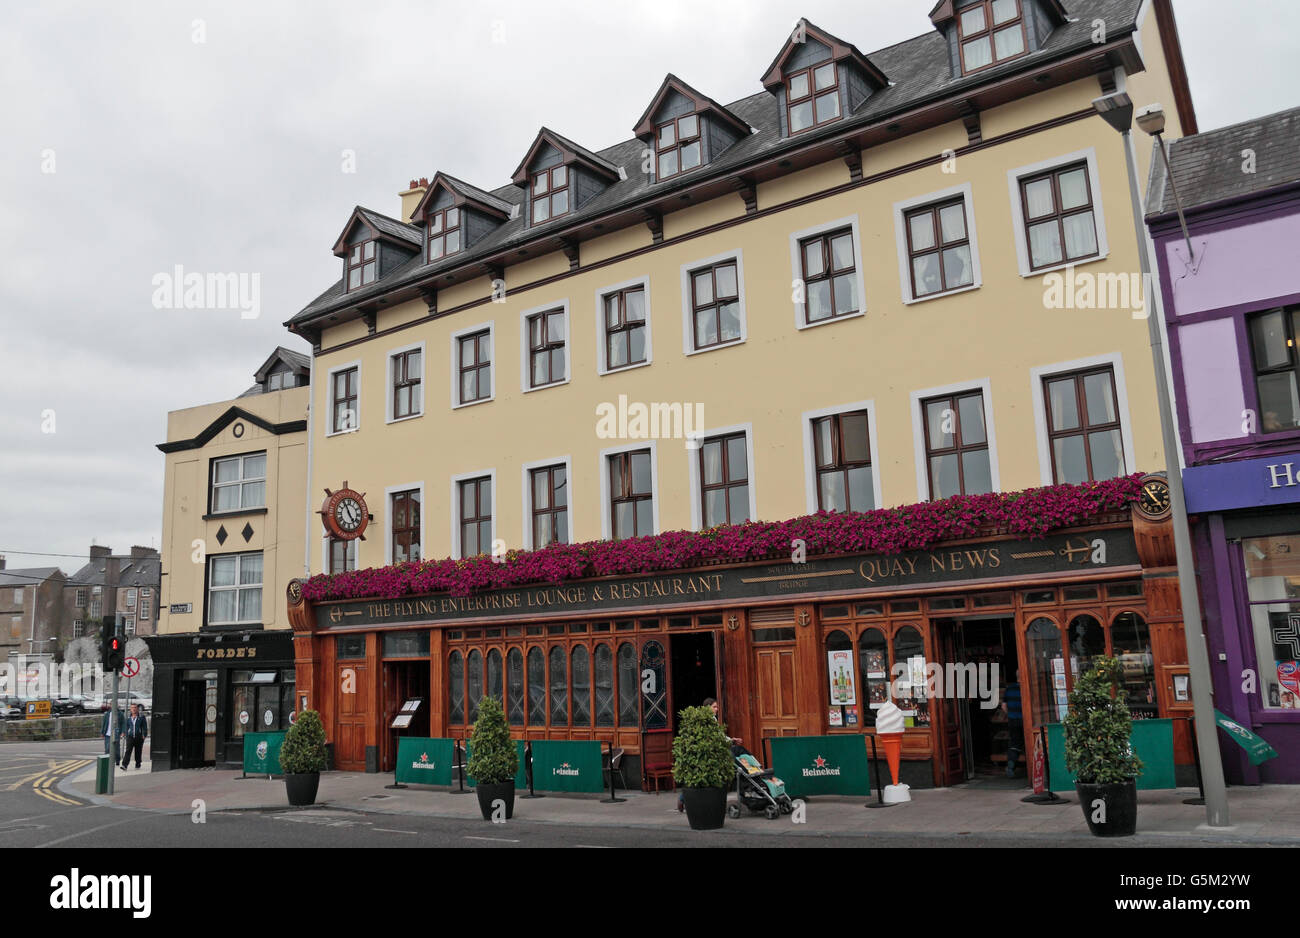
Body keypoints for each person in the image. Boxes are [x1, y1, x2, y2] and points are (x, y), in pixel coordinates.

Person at [678, 697, 741, 812]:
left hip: (708, 752)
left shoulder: (712, 719)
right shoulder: (706, 720)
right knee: (701, 778)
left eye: (717, 707)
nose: (717, 709)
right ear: (707, 707)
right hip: (705, 754)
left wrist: (731, 740)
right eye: (714, 707)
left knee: (701, 778)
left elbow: (719, 735)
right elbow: (716, 737)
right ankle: (683, 798)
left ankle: (683, 799)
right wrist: (730, 741)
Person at [1002, 678, 1023, 779]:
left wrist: (1010, 715)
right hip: (1025, 720)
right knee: (1029, 743)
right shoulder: (1025, 687)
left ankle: (1011, 764)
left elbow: (1004, 706)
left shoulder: (1009, 689)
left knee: (1015, 743)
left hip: (1013, 720)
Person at [120, 704, 148, 770]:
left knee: (138, 751)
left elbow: (144, 727)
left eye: (135, 707)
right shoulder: (128, 718)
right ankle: (124, 765)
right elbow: (126, 726)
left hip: (139, 737)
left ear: (137, 709)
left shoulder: (141, 717)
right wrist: (124, 733)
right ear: (130, 709)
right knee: (128, 751)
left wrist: (144, 734)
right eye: (132, 708)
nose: (134, 709)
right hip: (130, 737)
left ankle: (138, 764)